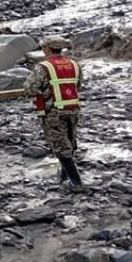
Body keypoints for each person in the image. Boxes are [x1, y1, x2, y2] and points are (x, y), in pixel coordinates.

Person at [23, 35, 84, 193]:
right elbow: (78, 85)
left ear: (47, 49)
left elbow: (30, 89)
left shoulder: (43, 67)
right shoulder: (74, 64)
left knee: (59, 145)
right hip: (73, 108)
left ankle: (76, 182)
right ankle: (64, 177)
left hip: (54, 112)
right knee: (69, 141)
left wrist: (43, 92)